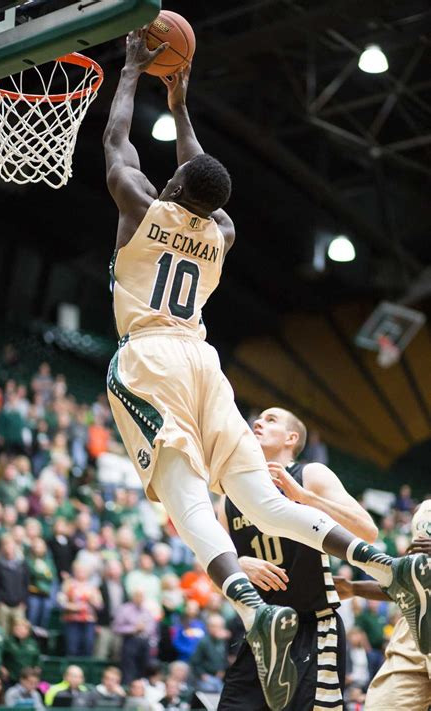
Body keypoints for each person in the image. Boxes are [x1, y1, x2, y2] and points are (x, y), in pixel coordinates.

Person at [103, 27, 431, 710]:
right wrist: (182, 100)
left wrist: (133, 72)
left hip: (150, 356)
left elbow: (117, 147)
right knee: (264, 503)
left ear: (171, 184)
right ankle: (391, 568)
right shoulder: (220, 233)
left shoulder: (140, 205)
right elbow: (206, 179)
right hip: (203, 356)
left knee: (184, 493)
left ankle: (255, 608)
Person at [218, 406, 377, 711]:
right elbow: (215, 576)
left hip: (312, 628)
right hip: (261, 631)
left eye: (270, 419)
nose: (258, 423)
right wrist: (237, 564)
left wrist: (305, 497)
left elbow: (367, 530)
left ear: (291, 438)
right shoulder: (228, 498)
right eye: (259, 418)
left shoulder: (310, 474)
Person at [335, 500, 431, 711]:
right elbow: (404, 585)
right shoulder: (425, 508)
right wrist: (353, 588)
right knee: (383, 705)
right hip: (414, 626)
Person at [114, 588, 158, 684]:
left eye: (141, 596)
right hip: (130, 640)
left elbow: (152, 629)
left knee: (145, 667)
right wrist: (134, 629)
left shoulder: (147, 611)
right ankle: (128, 685)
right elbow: (117, 627)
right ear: (132, 597)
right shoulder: (124, 609)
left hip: (145, 641)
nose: (139, 599)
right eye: (137, 596)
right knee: (129, 668)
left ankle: (143, 686)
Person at [190, 613, 229, 694]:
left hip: (219, 677)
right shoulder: (203, 642)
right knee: (211, 691)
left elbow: (225, 658)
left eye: (219, 626)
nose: (216, 629)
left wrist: (222, 670)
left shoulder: (223, 641)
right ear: (208, 627)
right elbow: (195, 662)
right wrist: (202, 675)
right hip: (206, 677)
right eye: (213, 626)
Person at [2, 618, 41, 685]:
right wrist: (2, 669)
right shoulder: (8, 641)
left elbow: (37, 659)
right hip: (11, 678)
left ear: (28, 631)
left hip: (28, 680)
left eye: (23, 628)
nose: (21, 631)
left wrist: (36, 670)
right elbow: (0, 656)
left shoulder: (32, 643)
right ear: (14, 629)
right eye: (18, 628)